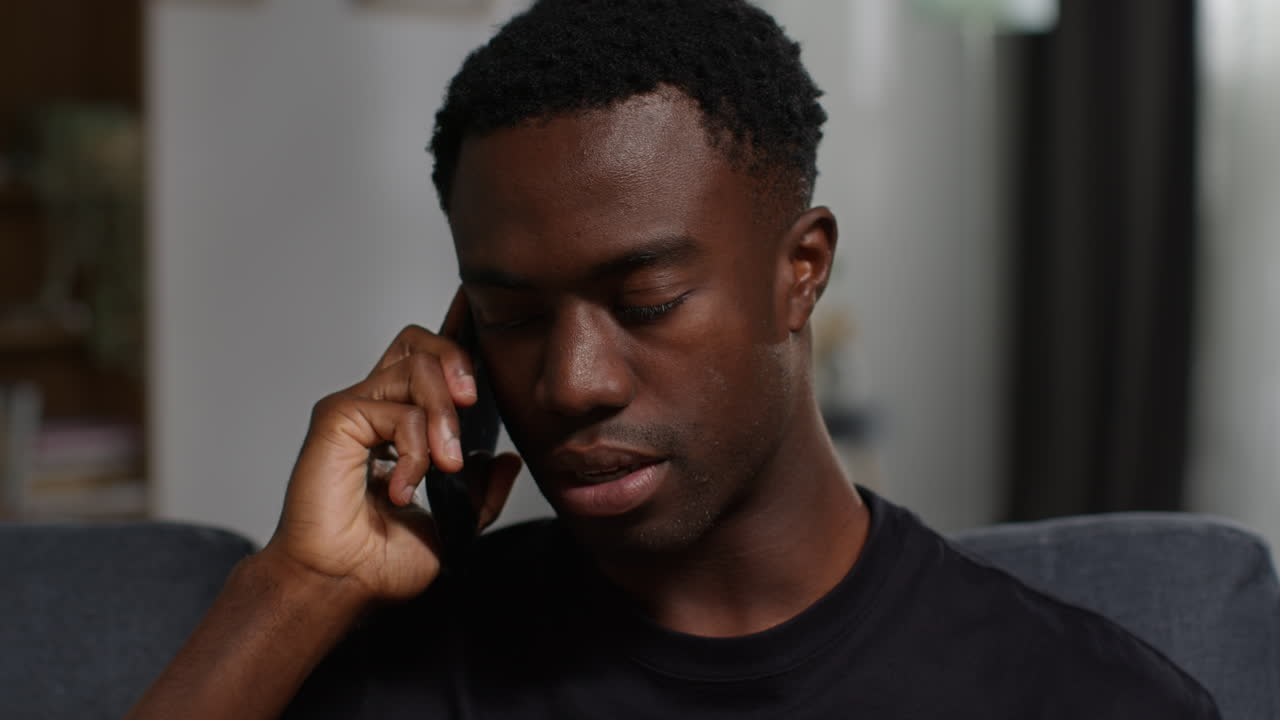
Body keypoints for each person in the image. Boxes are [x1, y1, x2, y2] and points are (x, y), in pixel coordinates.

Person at [128, 1, 1220, 718]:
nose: (571, 382)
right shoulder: (410, 670)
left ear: (799, 271)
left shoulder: (1077, 695)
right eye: (510, 316)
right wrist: (293, 589)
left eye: (643, 300)